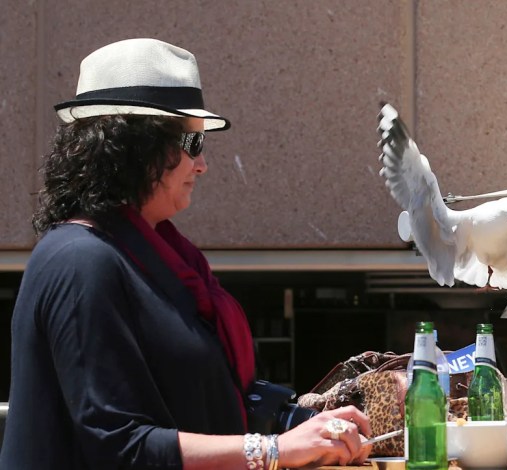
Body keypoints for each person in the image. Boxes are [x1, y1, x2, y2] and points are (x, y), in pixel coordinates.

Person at [0, 38, 372, 469]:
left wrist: (301, 424)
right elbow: (118, 446)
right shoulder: (81, 261)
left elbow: (196, 404)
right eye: (193, 143)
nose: (202, 164)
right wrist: (274, 450)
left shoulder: (151, 257)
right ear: (135, 147)